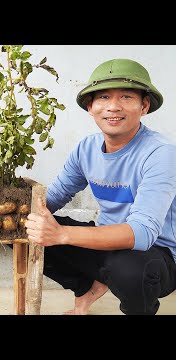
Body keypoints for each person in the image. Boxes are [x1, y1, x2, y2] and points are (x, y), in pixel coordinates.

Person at [25, 58, 176, 315]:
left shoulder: (161, 154)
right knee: (23, 228)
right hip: (106, 242)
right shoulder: (87, 148)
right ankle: (86, 288)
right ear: (90, 107)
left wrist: (61, 234)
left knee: (130, 271)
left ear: (144, 106)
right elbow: (58, 195)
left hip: (156, 255)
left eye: (127, 97)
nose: (113, 107)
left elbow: (141, 234)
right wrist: (27, 216)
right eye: (104, 97)